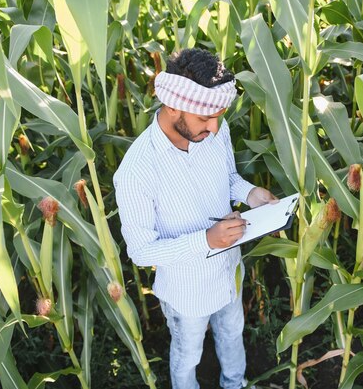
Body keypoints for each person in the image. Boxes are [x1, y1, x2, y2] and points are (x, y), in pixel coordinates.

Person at [114, 48, 278, 389]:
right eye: (205, 118)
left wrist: (251, 194)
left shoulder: (214, 130)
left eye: (217, 116)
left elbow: (228, 177)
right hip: (186, 291)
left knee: (233, 334)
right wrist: (205, 240)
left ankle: (235, 384)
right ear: (173, 105)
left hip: (229, 271)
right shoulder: (136, 171)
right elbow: (141, 252)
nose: (214, 126)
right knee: (188, 356)